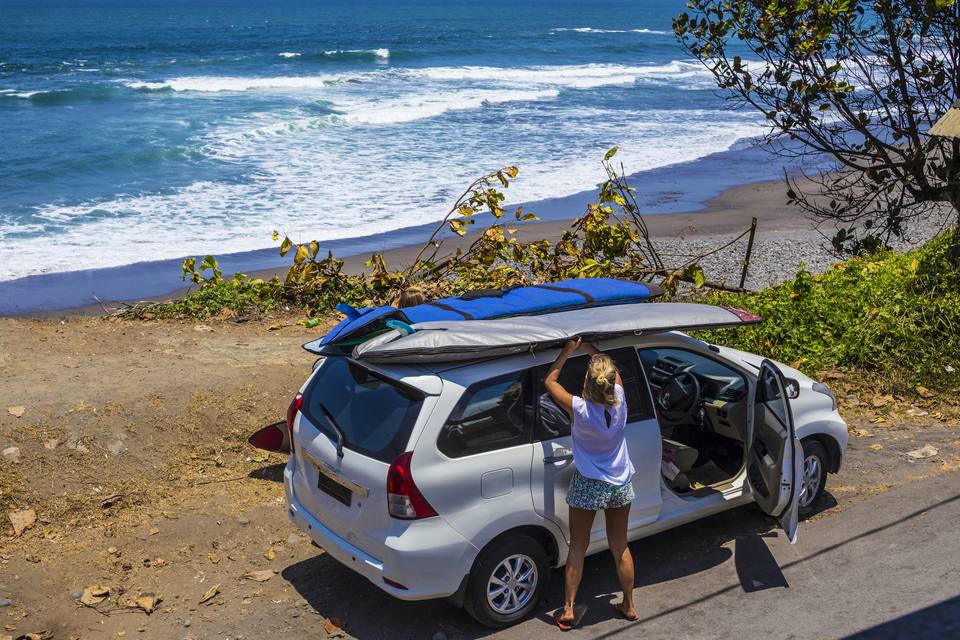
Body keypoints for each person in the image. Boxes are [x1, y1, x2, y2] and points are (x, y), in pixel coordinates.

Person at [545, 338, 639, 630]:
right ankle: (629, 604)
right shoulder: (620, 400)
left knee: (578, 548)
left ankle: (569, 609)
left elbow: (550, 381)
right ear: (610, 383)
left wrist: (568, 350)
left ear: (587, 383)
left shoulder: (579, 408)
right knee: (619, 545)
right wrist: (591, 348)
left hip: (589, 483)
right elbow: (611, 370)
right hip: (620, 484)